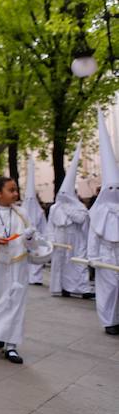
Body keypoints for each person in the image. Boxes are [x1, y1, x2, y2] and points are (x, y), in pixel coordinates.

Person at [0, 177, 53, 364]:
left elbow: (32, 240)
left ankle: (11, 346)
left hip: (17, 265)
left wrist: (29, 237)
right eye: (11, 190)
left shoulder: (21, 213)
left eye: (16, 190)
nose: (15, 194)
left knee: (16, 303)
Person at [48, 142, 95, 299]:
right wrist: (51, 239)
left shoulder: (79, 206)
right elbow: (50, 225)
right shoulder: (54, 208)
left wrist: (69, 210)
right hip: (60, 237)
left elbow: (82, 219)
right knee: (61, 263)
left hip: (74, 237)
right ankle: (61, 287)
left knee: (76, 262)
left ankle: (81, 288)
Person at [89, 112, 119, 335]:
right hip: (107, 255)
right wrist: (93, 256)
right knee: (108, 289)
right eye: (111, 188)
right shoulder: (98, 211)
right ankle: (109, 321)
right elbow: (93, 235)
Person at [22, 154, 47, 285]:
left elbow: (43, 226)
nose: (31, 202)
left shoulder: (40, 212)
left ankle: (36, 278)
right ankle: (27, 277)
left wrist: (45, 237)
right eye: (28, 200)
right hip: (25, 237)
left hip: (37, 237)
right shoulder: (20, 211)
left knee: (37, 255)